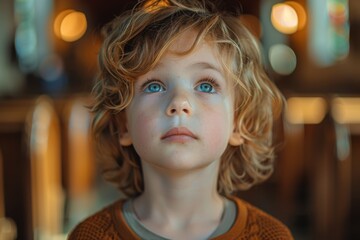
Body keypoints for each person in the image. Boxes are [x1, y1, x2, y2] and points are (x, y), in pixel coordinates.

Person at [69, 0, 293, 239]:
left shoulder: (271, 236)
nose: (179, 102)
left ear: (238, 122)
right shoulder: (90, 236)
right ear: (124, 124)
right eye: (154, 85)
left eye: (206, 85)